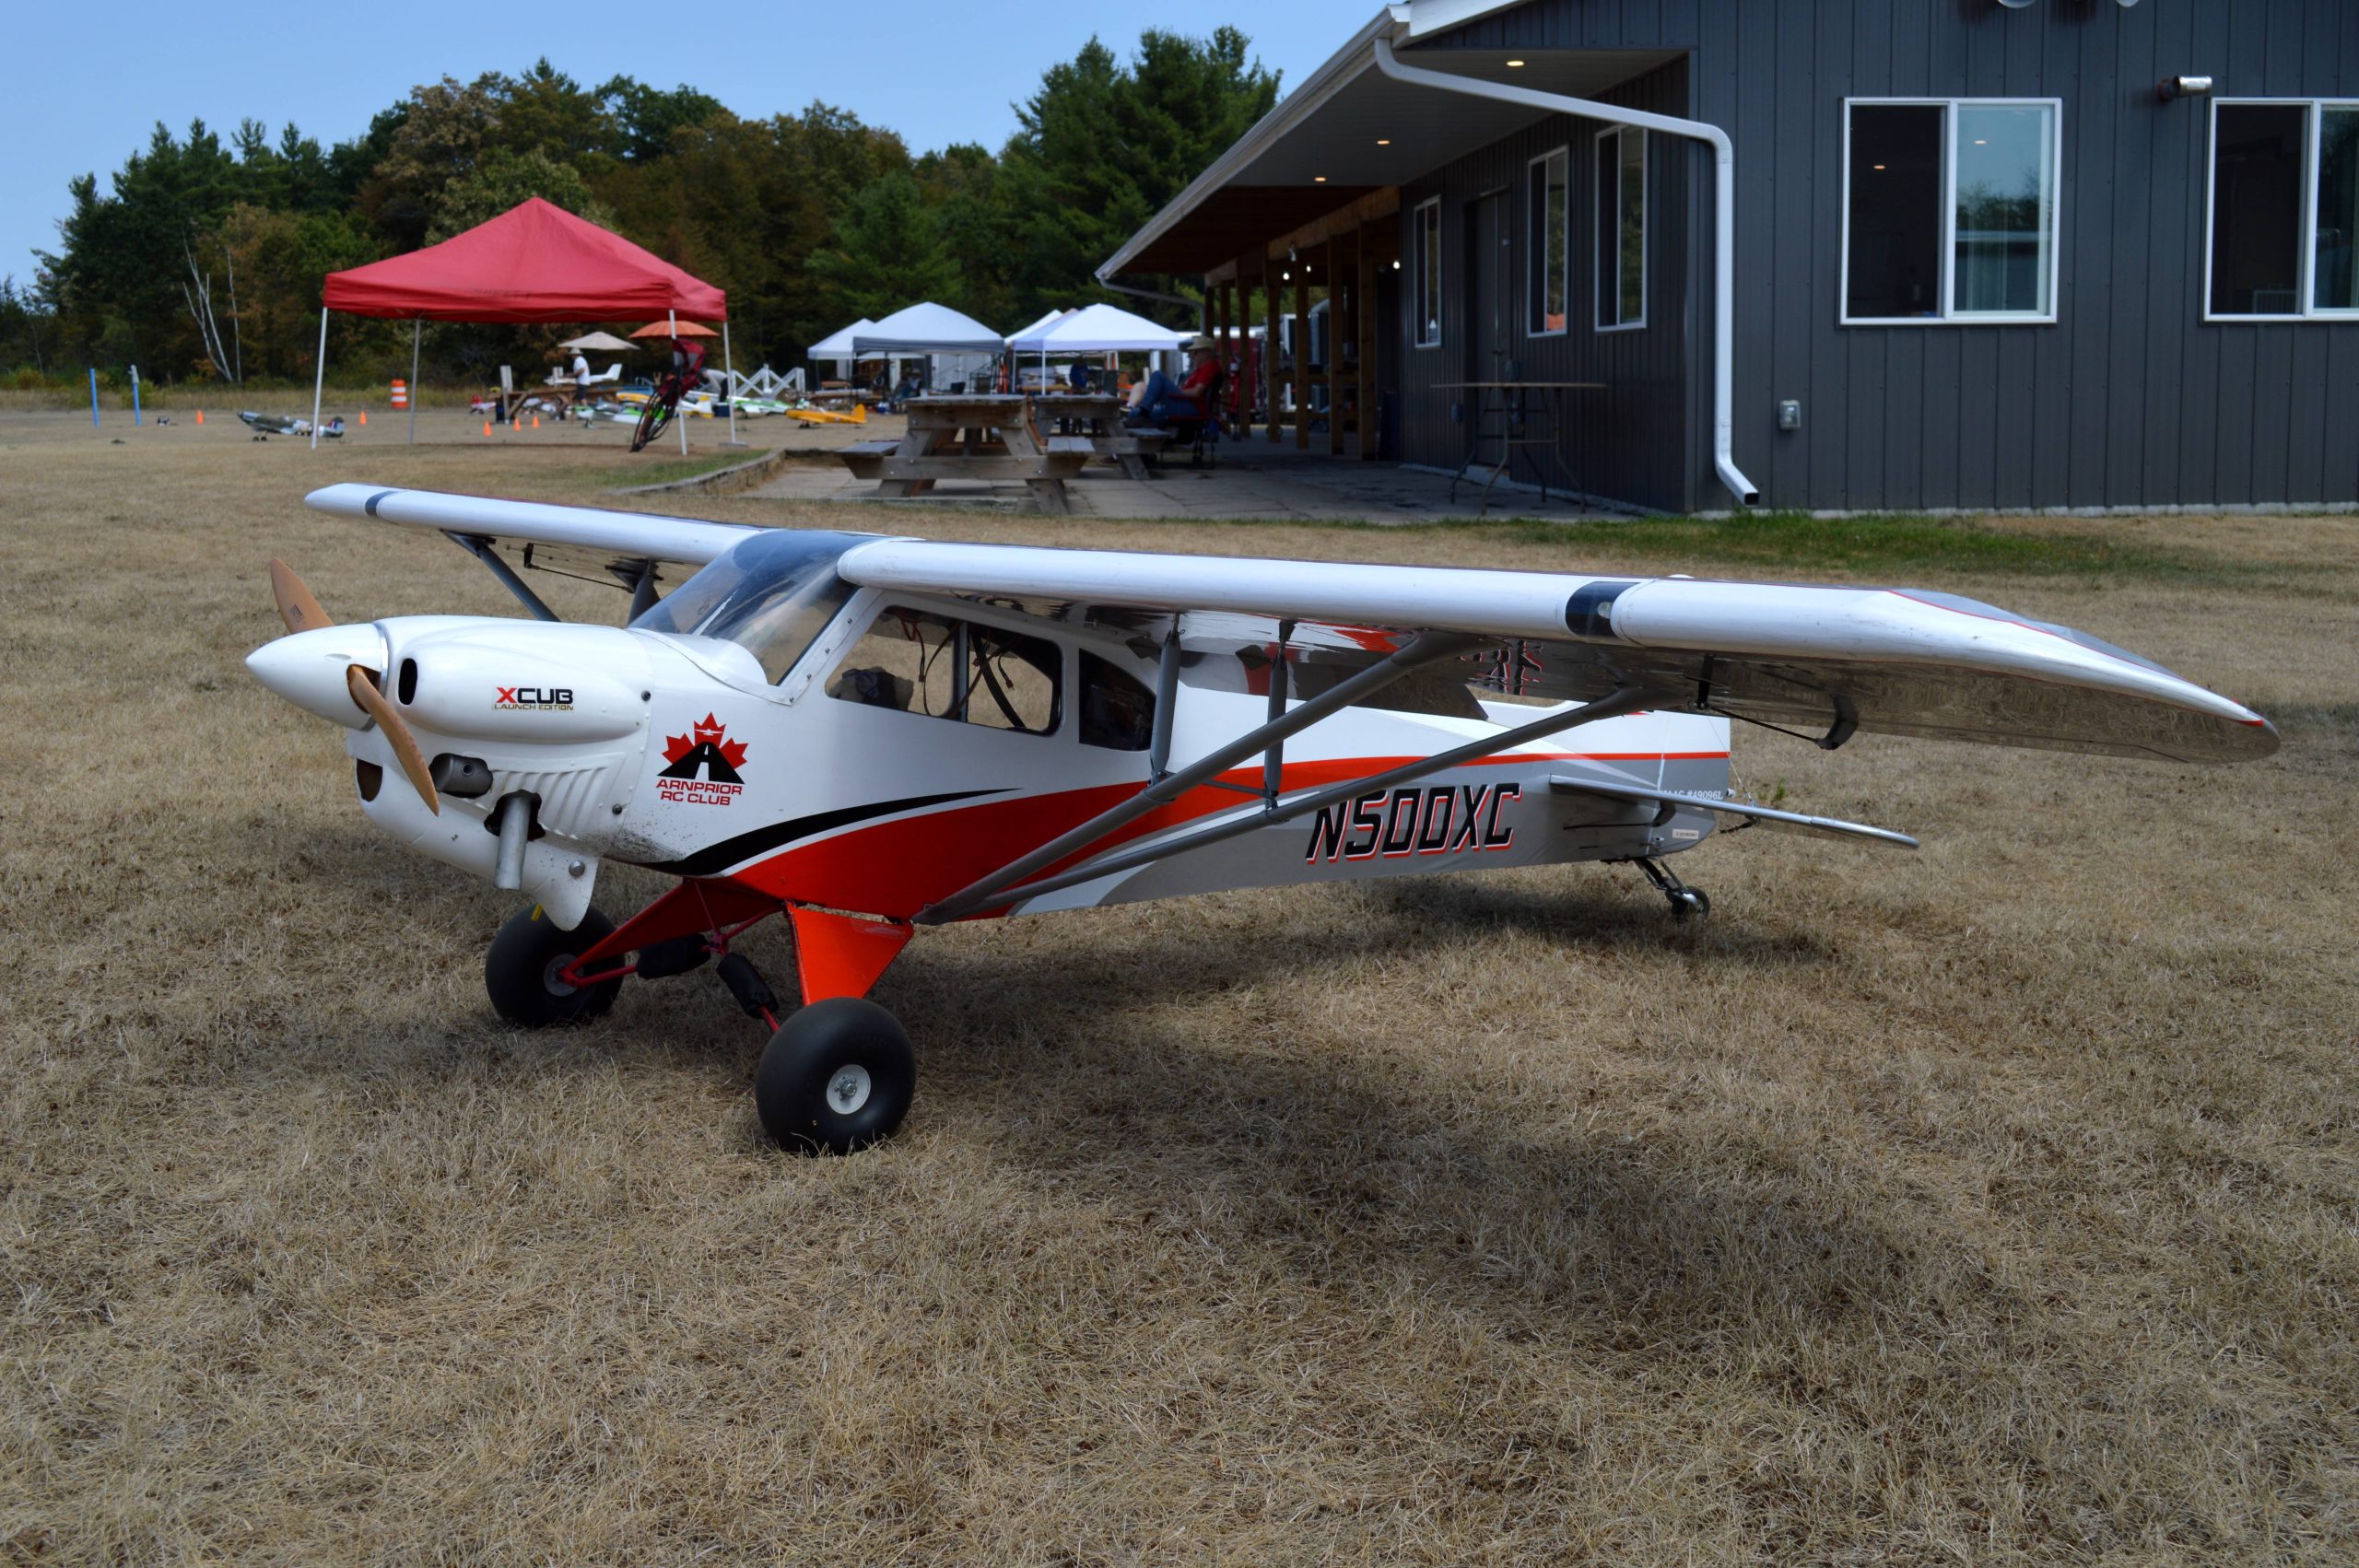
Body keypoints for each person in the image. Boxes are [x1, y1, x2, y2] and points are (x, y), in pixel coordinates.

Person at [1125, 337, 1219, 423]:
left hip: (1190, 407)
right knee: (1134, 413)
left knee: (1158, 375)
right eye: (1191, 352)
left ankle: (1145, 410)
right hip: (1184, 404)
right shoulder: (1200, 370)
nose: (1191, 356)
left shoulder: (1209, 367)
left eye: (1195, 352)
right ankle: (1140, 411)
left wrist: (1176, 391)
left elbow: (1196, 392)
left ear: (1207, 353)